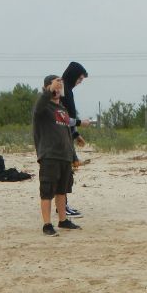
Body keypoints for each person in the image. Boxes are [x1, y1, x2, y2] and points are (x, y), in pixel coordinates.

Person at [31, 75, 81, 236]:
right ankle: (47, 225)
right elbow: (38, 106)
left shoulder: (63, 109)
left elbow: (67, 133)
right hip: (49, 155)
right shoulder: (43, 107)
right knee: (47, 191)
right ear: (47, 87)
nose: (58, 89)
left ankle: (63, 220)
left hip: (64, 156)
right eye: (55, 86)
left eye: (60, 87)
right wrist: (49, 89)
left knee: (62, 191)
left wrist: (73, 156)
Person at [60, 61, 91, 217]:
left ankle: (63, 205)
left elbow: (69, 117)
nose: (80, 83)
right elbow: (63, 118)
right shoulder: (63, 90)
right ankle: (62, 207)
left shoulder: (68, 90)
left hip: (67, 136)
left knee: (67, 172)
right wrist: (79, 124)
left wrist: (76, 134)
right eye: (79, 79)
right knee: (64, 173)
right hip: (61, 139)